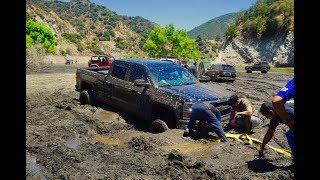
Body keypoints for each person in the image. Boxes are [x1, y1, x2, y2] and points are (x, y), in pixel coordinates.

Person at [259, 78, 294, 157]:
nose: (267, 118)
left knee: (291, 135)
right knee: (290, 134)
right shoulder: (274, 116)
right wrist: (262, 147)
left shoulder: (287, 112)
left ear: (271, 112)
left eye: (266, 116)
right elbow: (269, 133)